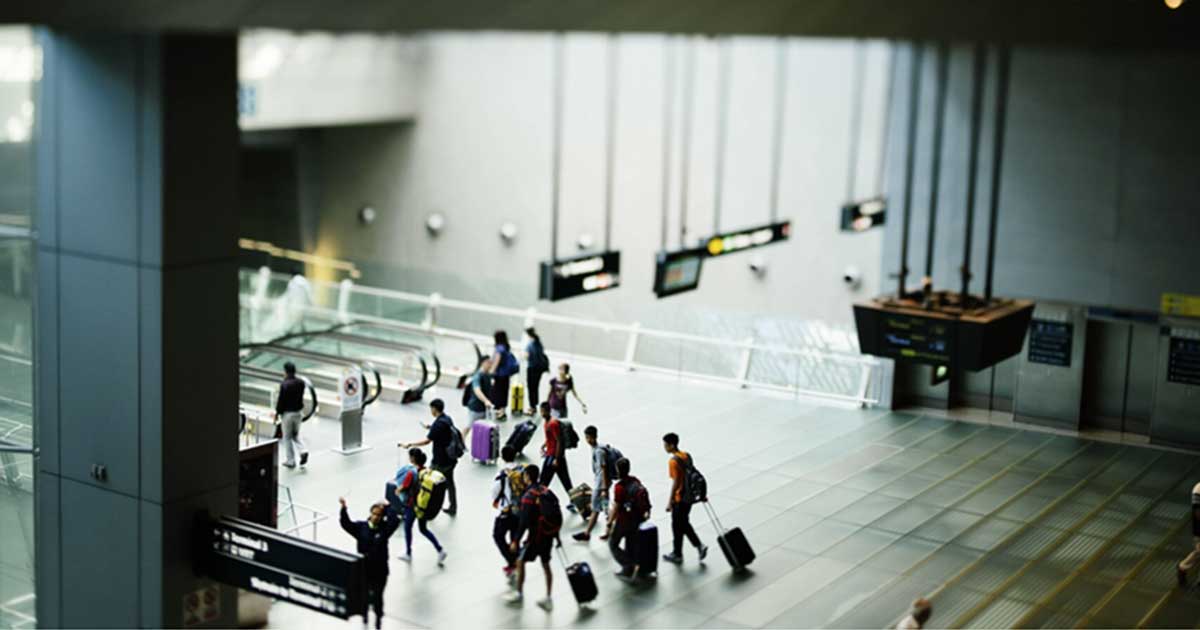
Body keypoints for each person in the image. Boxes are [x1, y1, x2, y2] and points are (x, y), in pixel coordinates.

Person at [338, 497, 401, 629]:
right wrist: (343, 509)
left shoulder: (384, 530)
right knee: (364, 595)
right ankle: (365, 616)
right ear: (370, 513)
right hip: (365, 570)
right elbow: (346, 524)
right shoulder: (361, 527)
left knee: (378, 596)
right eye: (374, 514)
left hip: (380, 570)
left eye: (379, 515)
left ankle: (378, 619)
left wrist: (388, 507)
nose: (376, 517)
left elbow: (394, 521)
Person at [399, 399, 467, 516]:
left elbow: (426, 441)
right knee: (450, 483)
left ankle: (425, 506)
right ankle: (453, 506)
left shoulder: (438, 424)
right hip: (451, 459)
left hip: (440, 461)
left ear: (434, 409)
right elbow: (441, 430)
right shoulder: (446, 418)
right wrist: (429, 427)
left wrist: (410, 444)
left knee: (428, 481)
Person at [506, 464, 559, 611]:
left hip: (535, 537)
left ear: (528, 477)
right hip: (548, 535)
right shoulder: (547, 491)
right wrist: (557, 536)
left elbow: (523, 522)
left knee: (520, 560)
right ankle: (548, 598)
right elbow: (555, 513)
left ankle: (519, 593)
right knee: (546, 564)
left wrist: (516, 540)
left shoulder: (528, 496)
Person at [391, 448, 447, 565]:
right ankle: (440, 549)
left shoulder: (411, 473)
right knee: (423, 529)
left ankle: (408, 553)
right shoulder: (426, 471)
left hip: (412, 506)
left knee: (407, 528)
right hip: (423, 506)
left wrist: (397, 490)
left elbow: (403, 487)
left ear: (412, 458)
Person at [662, 432, 707, 564]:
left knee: (678, 525)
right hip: (689, 497)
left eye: (666, 445)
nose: (664, 447)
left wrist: (670, 501)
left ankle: (680, 553)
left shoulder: (673, 462)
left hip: (680, 498)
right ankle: (687, 549)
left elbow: (676, 482)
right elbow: (692, 473)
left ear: (672, 445)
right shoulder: (686, 456)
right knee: (682, 523)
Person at [574, 425, 621, 542]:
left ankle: (587, 533)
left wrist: (604, 488)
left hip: (601, 486)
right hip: (603, 484)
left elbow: (603, 468)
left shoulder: (599, 451)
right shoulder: (598, 448)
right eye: (587, 438)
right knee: (605, 509)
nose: (588, 440)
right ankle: (608, 532)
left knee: (595, 508)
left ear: (595, 436)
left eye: (590, 437)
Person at [606, 457, 650, 581]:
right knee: (630, 543)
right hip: (637, 519)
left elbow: (616, 506)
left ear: (618, 471)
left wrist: (609, 522)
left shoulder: (619, 487)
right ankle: (631, 569)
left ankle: (628, 565)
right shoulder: (635, 480)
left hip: (624, 521)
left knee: (613, 543)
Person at [492, 445, 527, 583]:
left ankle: (512, 562)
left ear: (502, 457)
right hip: (521, 510)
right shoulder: (522, 470)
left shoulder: (502, 474)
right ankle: (517, 562)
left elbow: (494, 491)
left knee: (498, 535)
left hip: (507, 510)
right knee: (514, 538)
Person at [274, 362, 309, 468]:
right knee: (295, 434)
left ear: (285, 371)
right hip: (298, 413)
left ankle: (291, 461)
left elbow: (281, 401)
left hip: (287, 414)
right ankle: (303, 450)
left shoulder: (284, 384)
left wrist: (277, 413)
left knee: (287, 437)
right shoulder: (301, 382)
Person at [538, 402, 574, 501]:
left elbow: (559, 441)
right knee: (566, 482)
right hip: (553, 456)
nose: (542, 413)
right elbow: (551, 438)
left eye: (544, 411)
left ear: (549, 411)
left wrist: (557, 459)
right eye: (541, 411)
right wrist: (544, 445)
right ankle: (575, 501)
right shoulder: (546, 423)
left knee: (543, 482)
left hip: (553, 457)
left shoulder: (553, 424)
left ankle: (538, 502)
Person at [491, 330, 519, 421]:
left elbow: (497, 361)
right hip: (506, 375)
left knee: (498, 393)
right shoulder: (506, 347)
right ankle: (502, 411)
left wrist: (492, 371)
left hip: (499, 375)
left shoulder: (499, 348)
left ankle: (499, 412)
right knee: (504, 393)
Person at [1177, 481, 1200, 587]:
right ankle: (1182, 567)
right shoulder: (1198, 489)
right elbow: (1197, 512)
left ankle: (1182, 567)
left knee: (1198, 552)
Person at [523, 327, 550, 415]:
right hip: (539, 369)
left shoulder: (529, 345)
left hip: (532, 368)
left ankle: (532, 407)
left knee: (531, 388)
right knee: (535, 387)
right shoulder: (538, 343)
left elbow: (526, 356)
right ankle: (534, 404)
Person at [466, 357, 496, 423]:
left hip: (485, 408)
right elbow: (477, 390)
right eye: (488, 362)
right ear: (483, 363)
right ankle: (461, 434)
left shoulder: (488, 374)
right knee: (469, 427)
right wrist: (486, 401)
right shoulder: (477, 376)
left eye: (491, 363)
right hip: (476, 407)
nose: (490, 365)